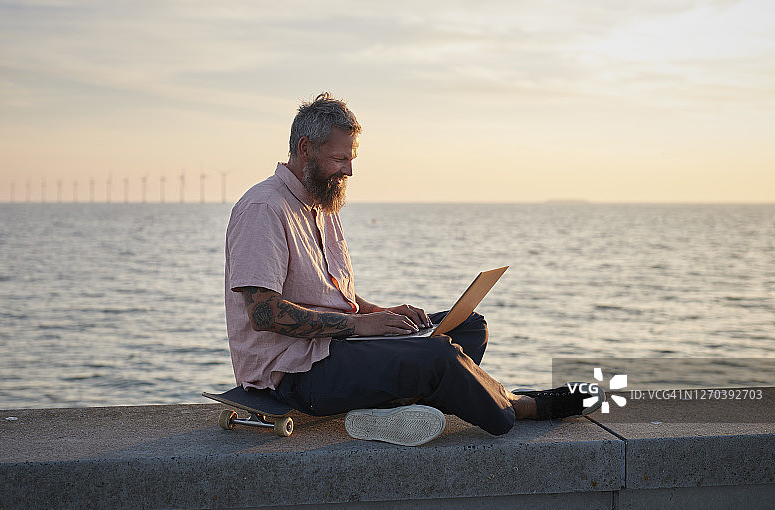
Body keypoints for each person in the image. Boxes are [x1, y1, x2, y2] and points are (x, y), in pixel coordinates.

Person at [224, 92, 603, 446]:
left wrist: (378, 313)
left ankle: (395, 409)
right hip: (293, 375)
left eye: (352, 159)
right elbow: (264, 313)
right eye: (340, 159)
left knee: (469, 326)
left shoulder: (321, 204)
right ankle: (520, 405)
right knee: (440, 356)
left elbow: (326, 291)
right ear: (305, 149)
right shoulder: (264, 209)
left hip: (335, 346)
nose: (350, 170)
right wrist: (359, 325)